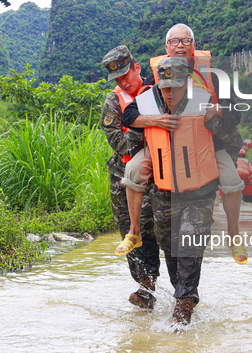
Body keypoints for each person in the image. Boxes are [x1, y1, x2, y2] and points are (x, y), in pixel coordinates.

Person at [121, 23, 248, 265]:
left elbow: (236, 112)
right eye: (175, 41)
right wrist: (155, 119)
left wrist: (219, 109)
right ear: (167, 47)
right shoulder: (155, 77)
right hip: (164, 144)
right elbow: (129, 115)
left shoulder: (211, 76)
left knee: (232, 179)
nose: (180, 45)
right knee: (133, 170)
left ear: (193, 46)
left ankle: (234, 236)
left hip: (204, 143)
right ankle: (134, 232)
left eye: (186, 41)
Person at [123, 57, 224, 326]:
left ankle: (183, 306)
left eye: (175, 87)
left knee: (191, 241)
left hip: (199, 189)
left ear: (186, 83)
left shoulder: (202, 99)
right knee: (168, 244)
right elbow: (128, 116)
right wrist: (154, 120)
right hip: (164, 189)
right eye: (165, 87)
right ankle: (186, 292)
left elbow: (227, 125)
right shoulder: (147, 99)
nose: (169, 93)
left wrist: (221, 115)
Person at [100, 45, 161, 309]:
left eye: (126, 75)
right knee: (128, 230)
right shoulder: (113, 102)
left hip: (158, 174)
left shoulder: (157, 91)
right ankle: (144, 286)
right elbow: (118, 140)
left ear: (137, 68)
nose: (123, 82)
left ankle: (154, 285)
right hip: (122, 176)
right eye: (118, 79)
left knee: (152, 227)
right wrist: (145, 130)